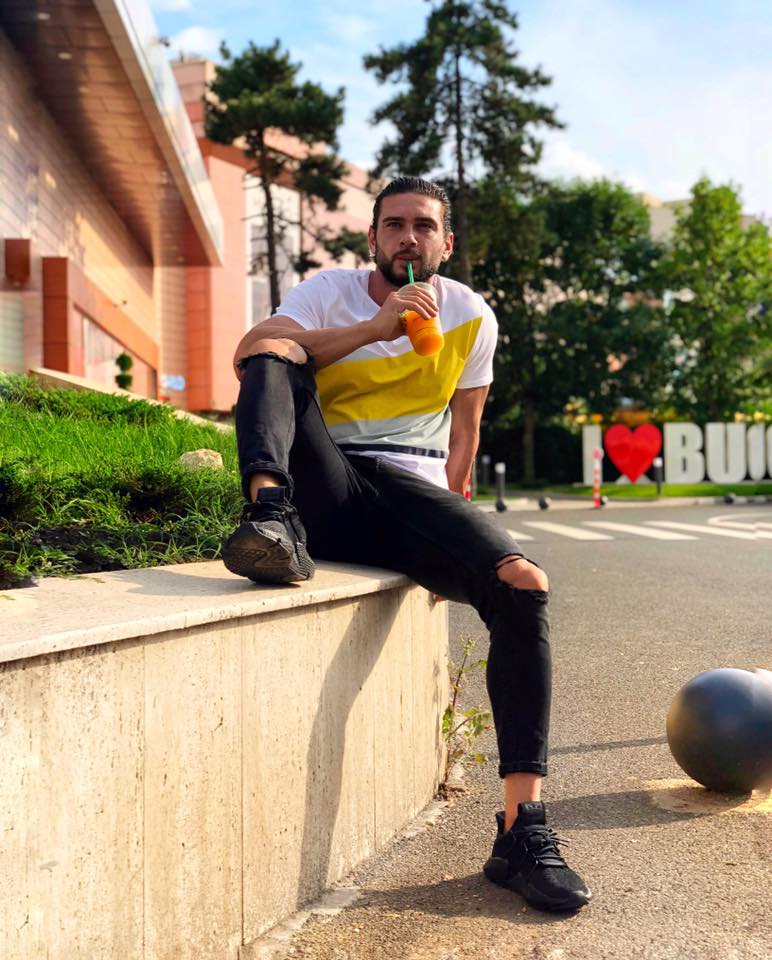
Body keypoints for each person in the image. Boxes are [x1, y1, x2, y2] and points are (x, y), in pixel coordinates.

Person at [223, 176, 592, 912]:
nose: (408, 238)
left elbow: (465, 433)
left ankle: (521, 830)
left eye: (423, 226)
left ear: (445, 243)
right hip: (328, 480)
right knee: (274, 350)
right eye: (394, 225)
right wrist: (374, 329)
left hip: (411, 496)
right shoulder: (329, 292)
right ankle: (268, 516)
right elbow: (249, 351)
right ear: (373, 238)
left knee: (522, 582)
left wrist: (459, 533)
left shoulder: (471, 315)